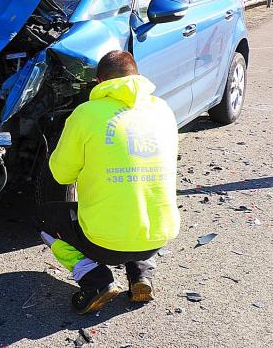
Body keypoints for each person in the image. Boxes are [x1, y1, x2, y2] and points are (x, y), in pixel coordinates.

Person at [36, 50, 180, 315]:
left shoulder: (86, 113)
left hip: (103, 243)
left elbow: (61, 175)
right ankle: (142, 276)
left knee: (46, 220)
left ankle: (96, 281)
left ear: (99, 81)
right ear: (137, 76)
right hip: (158, 236)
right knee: (138, 201)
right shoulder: (163, 109)